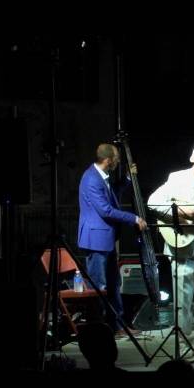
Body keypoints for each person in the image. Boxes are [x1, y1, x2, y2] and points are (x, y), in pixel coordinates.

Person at [147, 141, 194, 357]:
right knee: (183, 302)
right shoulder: (177, 178)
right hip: (182, 246)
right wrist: (183, 214)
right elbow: (153, 203)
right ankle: (186, 344)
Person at [78, 143, 147, 337]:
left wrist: (126, 179)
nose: (118, 161)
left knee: (113, 285)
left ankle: (116, 326)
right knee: (98, 287)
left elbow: (111, 198)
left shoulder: (101, 177)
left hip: (105, 239)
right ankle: (97, 329)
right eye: (116, 158)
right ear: (108, 160)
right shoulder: (91, 179)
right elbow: (105, 210)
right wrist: (134, 218)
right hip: (96, 240)